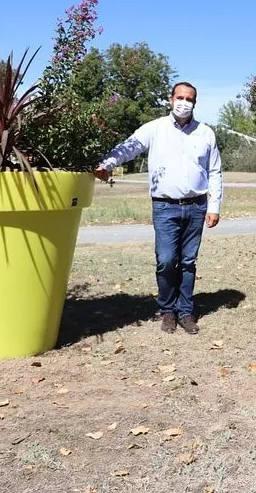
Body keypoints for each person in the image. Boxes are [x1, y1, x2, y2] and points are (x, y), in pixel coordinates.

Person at [93, 81, 223, 335]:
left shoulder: (205, 133)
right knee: (166, 261)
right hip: (165, 207)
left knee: (187, 261)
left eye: (190, 99)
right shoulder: (154, 129)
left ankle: (185, 311)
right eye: (180, 97)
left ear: (195, 103)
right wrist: (106, 164)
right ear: (170, 99)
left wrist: (214, 206)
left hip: (196, 206)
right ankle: (167, 310)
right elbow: (129, 147)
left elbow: (215, 171)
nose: (184, 103)